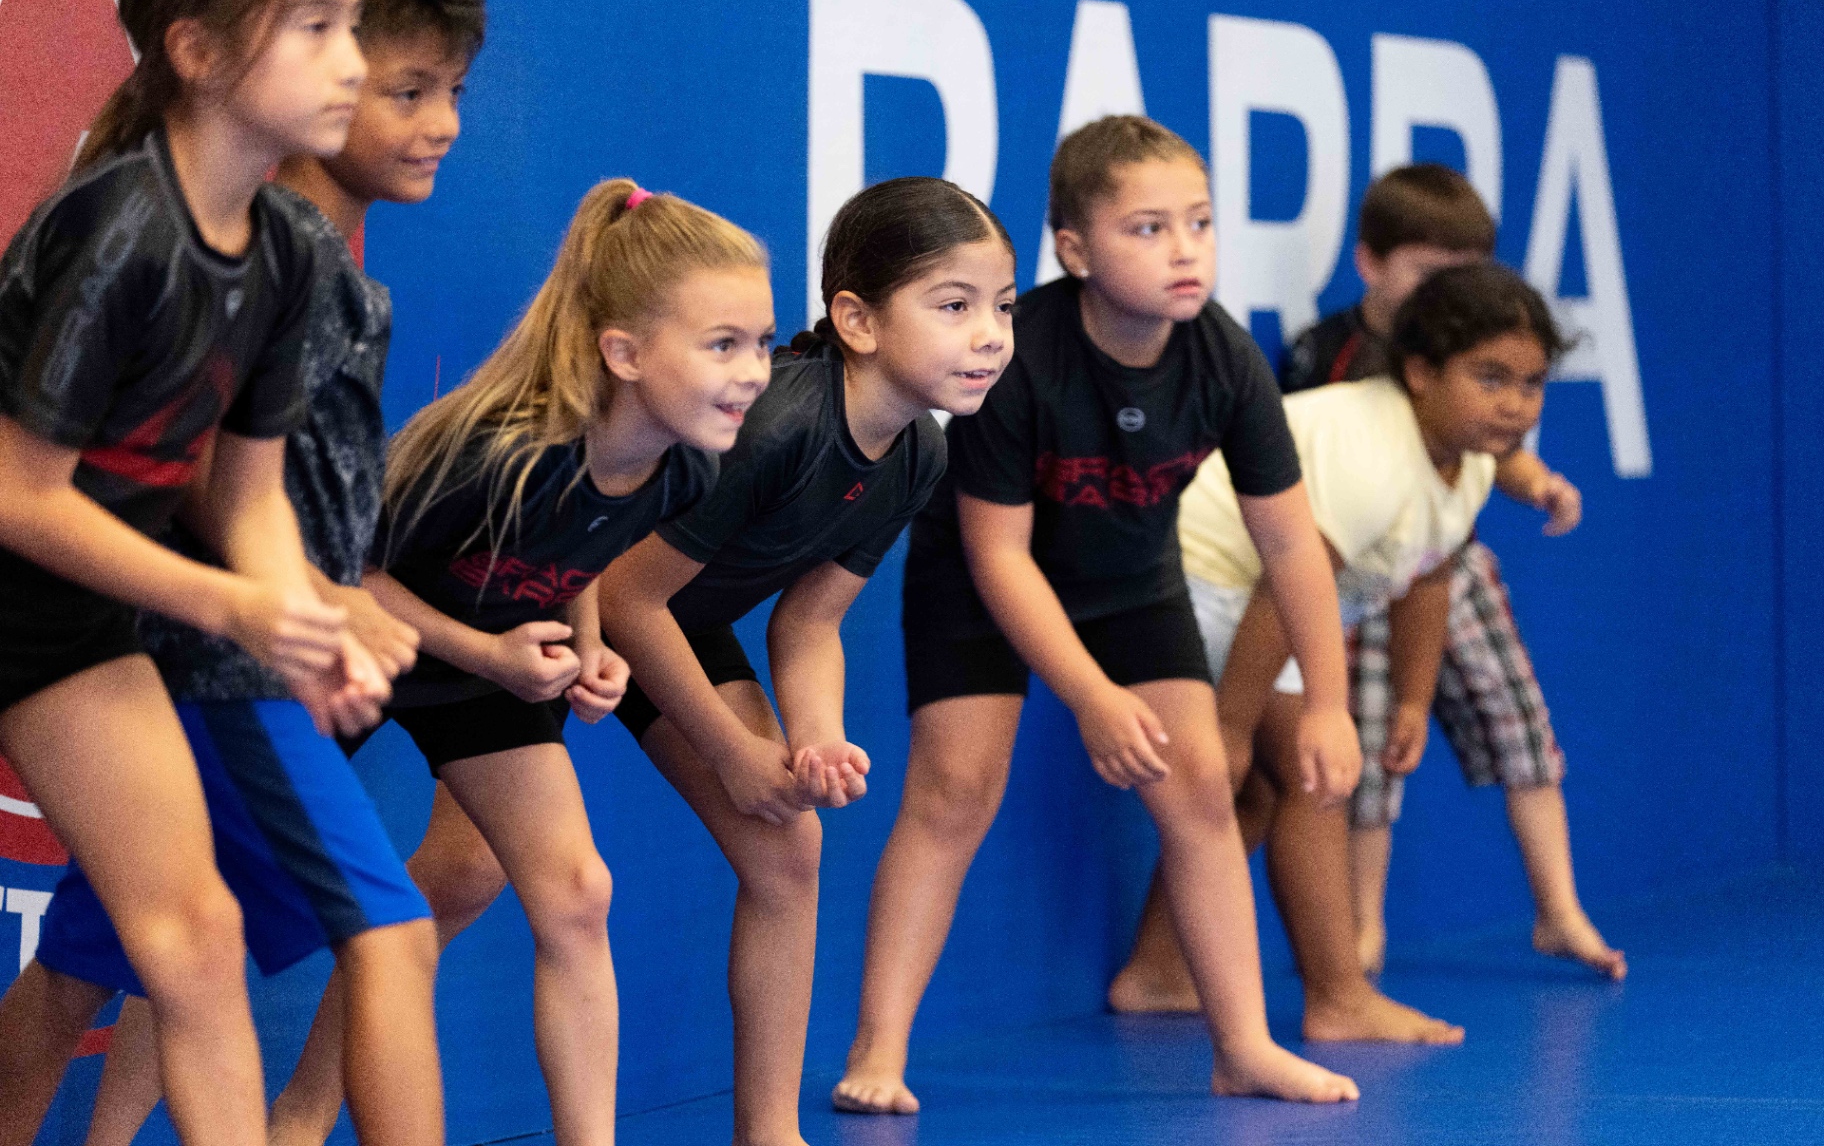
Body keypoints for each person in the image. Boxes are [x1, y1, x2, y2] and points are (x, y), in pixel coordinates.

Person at [833, 117, 1360, 1118]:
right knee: (953, 792)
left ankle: (1242, 1044)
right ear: (1074, 251)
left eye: (1199, 224)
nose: (1184, 249)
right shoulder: (1020, 355)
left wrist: (1326, 699)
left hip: (1129, 583)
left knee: (1204, 782)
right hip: (986, 583)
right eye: (1148, 228)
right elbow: (997, 554)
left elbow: (1293, 545)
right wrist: (1089, 696)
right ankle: (880, 1043)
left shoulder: (1225, 359)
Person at [65, 0, 489, 1146]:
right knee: (392, 928)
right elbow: (199, 478)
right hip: (217, 670)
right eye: (408, 89)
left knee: (106, 962)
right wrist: (300, 601)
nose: (441, 123)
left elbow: (269, 490)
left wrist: (337, 600)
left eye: (450, 92)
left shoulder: (330, 277)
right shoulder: (232, 257)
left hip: (262, 660)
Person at [272, 178, 771, 1146]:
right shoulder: (495, 452)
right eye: (723, 344)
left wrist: (589, 650)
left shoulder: (681, 463)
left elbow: (574, 552)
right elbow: (348, 569)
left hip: (477, 668)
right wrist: (488, 652)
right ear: (623, 352)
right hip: (348, 644)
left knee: (578, 892)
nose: (753, 370)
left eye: (759, 341)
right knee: (225, 896)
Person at [0, 0, 381, 1145]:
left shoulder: (281, 256)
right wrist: (228, 607)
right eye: (315, 27)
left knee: (200, 935)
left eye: (353, 25)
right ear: (198, 51)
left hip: (68, 618)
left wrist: (303, 618)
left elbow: (252, 498)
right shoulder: (118, 231)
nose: (353, 64)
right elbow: (16, 492)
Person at [596, 175, 1013, 1146]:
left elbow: (808, 623)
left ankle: (769, 1131)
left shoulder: (916, 455)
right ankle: (308, 1108)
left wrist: (814, 738)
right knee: (458, 876)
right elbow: (622, 593)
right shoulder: (779, 424)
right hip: (566, 598)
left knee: (788, 847)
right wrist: (736, 752)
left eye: (1003, 308)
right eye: (954, 306)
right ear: (857, 320)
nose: (990, 334)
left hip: (674, 624)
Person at [1119, 261, 1568, 1045]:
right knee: (1313, 770)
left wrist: (1411, 699)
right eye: (1491, 377)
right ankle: (1338, 995)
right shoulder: (1374, 451)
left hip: (1252, 595)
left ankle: (1158, 972)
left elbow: (1426, 576)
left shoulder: (1468, 462)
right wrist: (1226, 727)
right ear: (1422, 372)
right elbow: (1282, 592)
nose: (1515, 404)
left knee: (1259, 794)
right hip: (1193, 570)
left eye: (1531, 384)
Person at [1282, 164, 1622, 982]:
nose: (1449, 291)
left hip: (1447, 562)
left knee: (1521, 727)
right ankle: (1362, 934)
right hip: (1356, 581)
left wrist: (1534, 481)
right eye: (1430, 273)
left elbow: (1495, 440)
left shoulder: (1477, 359)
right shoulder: (1325, 355)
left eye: (1467, 272)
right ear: (1371, 263)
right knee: (1362, 760)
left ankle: (1559, 908)